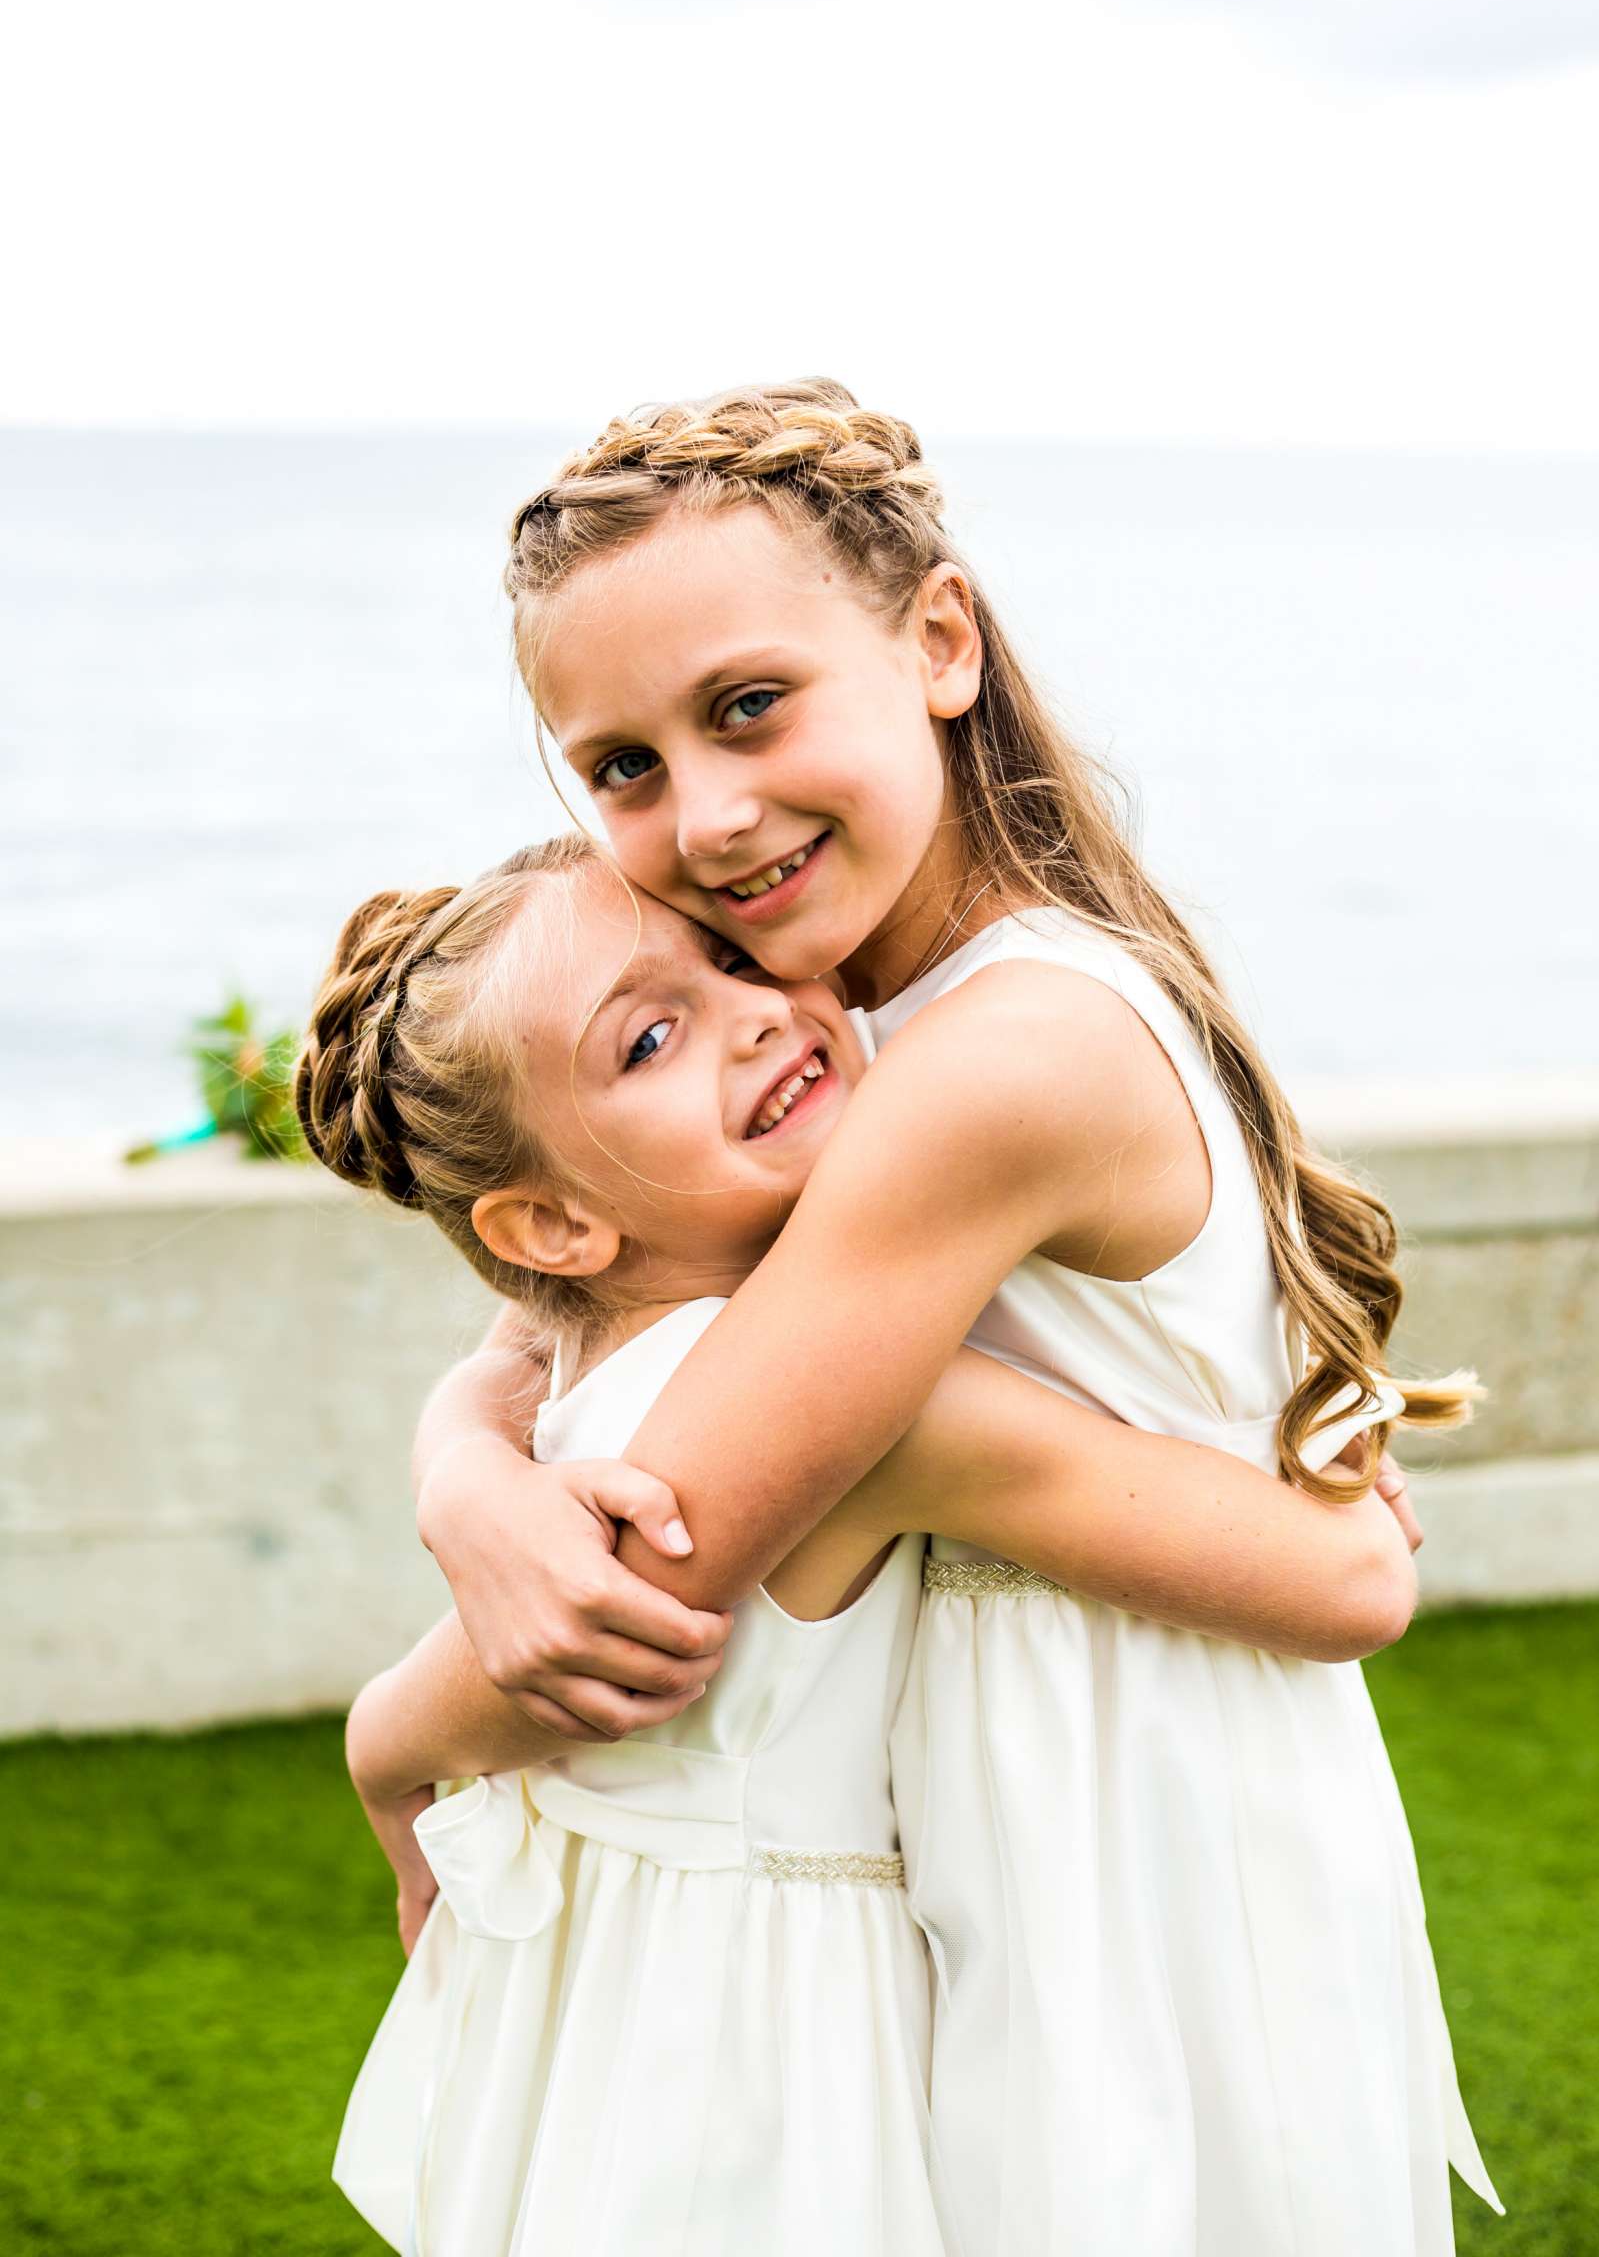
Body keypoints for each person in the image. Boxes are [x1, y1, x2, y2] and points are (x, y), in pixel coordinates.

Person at [410, 379, 1499, 2252]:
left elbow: (673, 1540)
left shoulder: (990, 1063)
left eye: (747, 705)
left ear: (937, 640)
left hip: (1133, 1814)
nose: (708, 812)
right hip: (1015, 1789)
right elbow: (555, 1345)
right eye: (622, 768)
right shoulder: (857, 1019)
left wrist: (384, 1735)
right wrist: (461, 1467)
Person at [299, 842, 1422, 2257]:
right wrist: (1310, 1458)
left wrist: (456, 1453)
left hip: (590, 2017)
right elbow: (1353, 1584)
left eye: (731, 960)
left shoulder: (587, 1385)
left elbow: (521, 1336)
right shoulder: (867, 1419)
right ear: (555, 1224)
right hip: (768, 2059)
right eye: (652, 1036)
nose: (755, 1012)